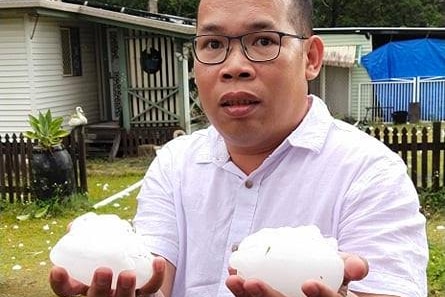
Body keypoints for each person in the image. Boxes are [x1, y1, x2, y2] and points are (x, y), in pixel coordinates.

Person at [50, 0, 428, 296]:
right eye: (213, 44)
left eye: (263, 41)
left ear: (311, 58)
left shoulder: (370, 172)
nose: (234, 67)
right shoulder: (175, 164)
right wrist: (124, 278)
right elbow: (153, 273)